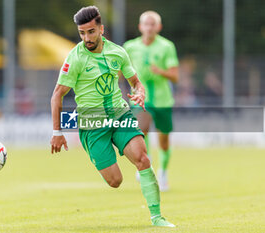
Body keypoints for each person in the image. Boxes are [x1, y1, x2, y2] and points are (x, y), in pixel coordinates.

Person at [50, 6, 175, 227]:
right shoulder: (75, 57)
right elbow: (57, 95)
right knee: (115, 181)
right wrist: (57, 132)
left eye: (90, 31)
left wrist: (140, 92)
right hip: (92, 123)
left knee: (143, 158)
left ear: (101, 29)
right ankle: (102, 150)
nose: (86, 38)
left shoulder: (118, 52)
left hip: (120, 113)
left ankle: (157, 217)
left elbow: (135, 82)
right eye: (82, 33)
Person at [123, 11, 179, 191]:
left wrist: (160, 71)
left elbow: (175, 76)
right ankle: (145, 164)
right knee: (140, 131)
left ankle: (163, 173)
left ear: (158, 27)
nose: (149, 27)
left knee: (163, 140)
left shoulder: (167, 46)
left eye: (152, 24)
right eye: (146, 24)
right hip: (141, 99)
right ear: (140, 27)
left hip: (163, 100)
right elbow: (121, 71)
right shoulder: (130, 47)